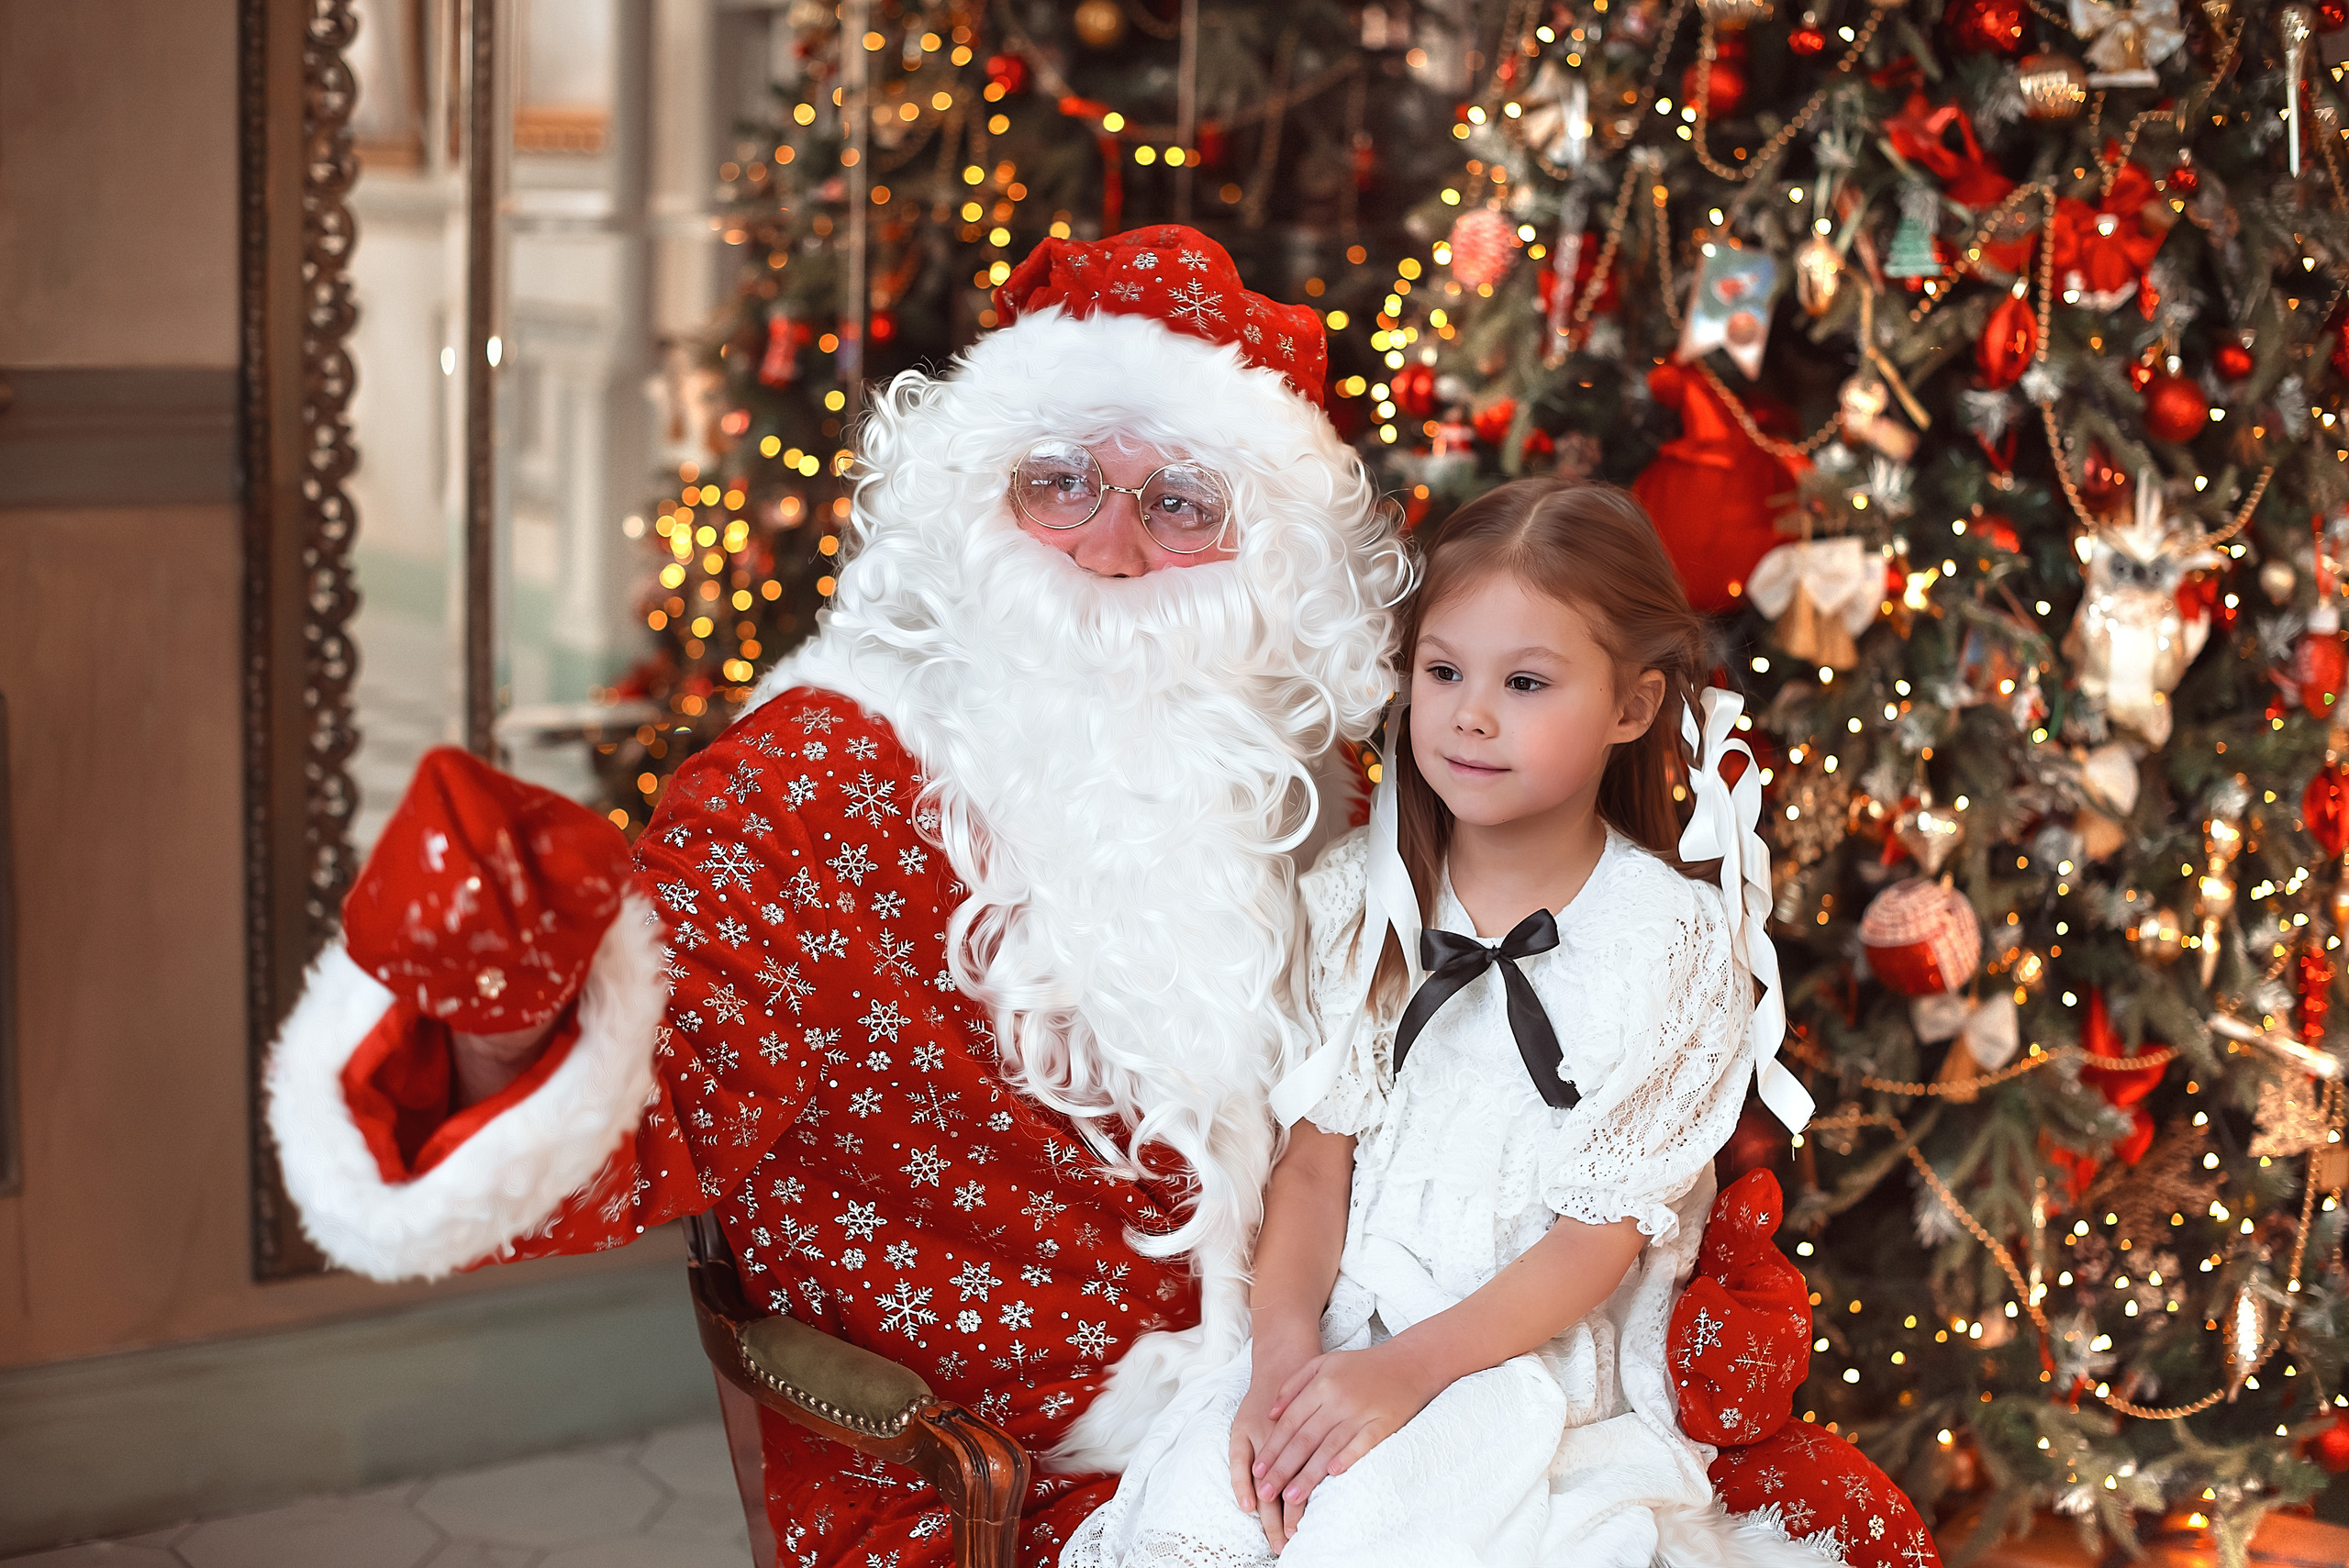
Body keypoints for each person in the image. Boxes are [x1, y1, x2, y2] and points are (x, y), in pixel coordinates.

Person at [265, 226, 1406, 1568]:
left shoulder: (1313, 776)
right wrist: (497, 993)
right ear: (978, 497)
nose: (1106, 549)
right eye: (1061, 483)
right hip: (1013, 1484)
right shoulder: (825, 781)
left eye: (1179, 503)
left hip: (1332, 1406)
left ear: (1271, 555)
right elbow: (641, 1091)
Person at [1062, 481, 1833, 1568]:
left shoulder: (1670, 939)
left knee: (1382, 1530)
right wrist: (1282, 1360)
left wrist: (1402, 1375)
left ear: (1632, 705)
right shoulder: (1353, 899)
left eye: (1524, 681)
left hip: (1514, 1358)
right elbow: (1314, 1165)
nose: (1470, 714)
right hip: (1345, 1327)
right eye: (1443, 671)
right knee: (1202, 1506)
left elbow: (1596, 1237)